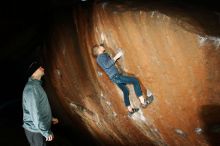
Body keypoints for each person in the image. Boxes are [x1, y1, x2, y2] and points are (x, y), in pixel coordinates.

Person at [92, 44, 153, 117]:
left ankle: (130, 110)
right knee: (135, 81)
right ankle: (144, 102)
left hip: (114, 77)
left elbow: (106, 63)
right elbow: (107, 65)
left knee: (125, 91)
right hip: (116, 76)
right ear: (98, 50)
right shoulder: (101, 56)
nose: (101, 46)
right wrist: (117, 57)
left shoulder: (99, 58)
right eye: (100, 46)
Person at [22, 61, 59, 146]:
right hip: (35, 131)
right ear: (33, 72)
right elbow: (35, 114)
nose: (42, 68)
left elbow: (40, 108)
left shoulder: (36, 86)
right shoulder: (32, 88)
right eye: (39, 67)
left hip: (38, 129)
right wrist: (46, 132)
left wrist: (50, 118)